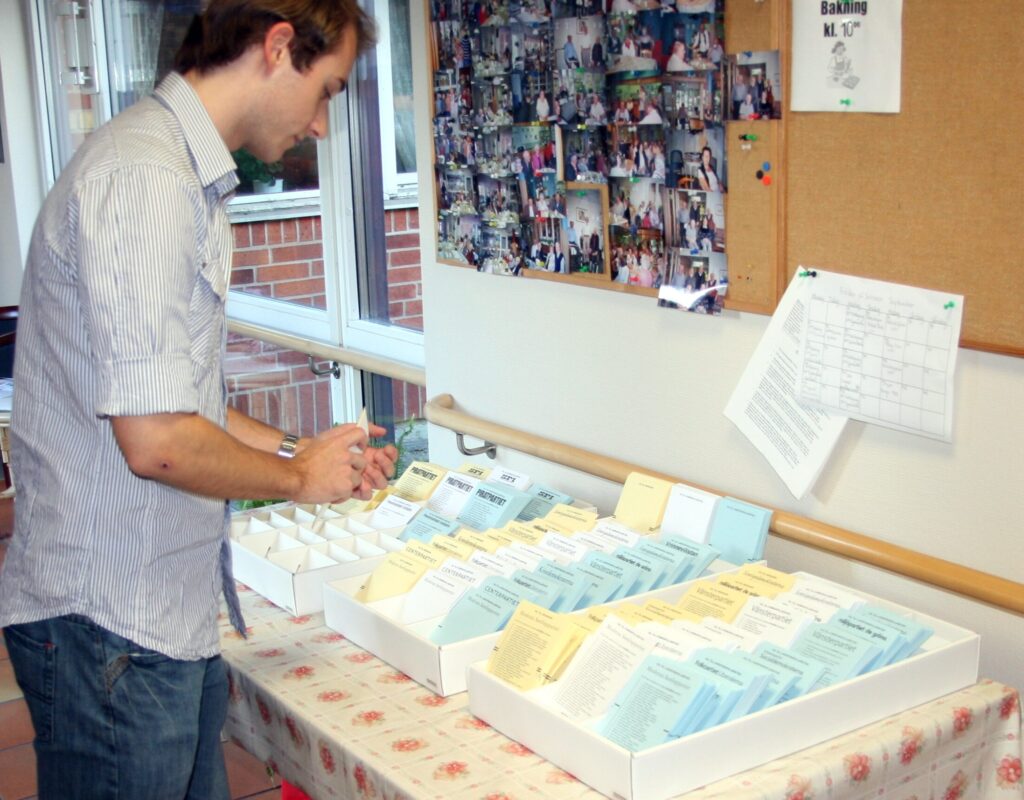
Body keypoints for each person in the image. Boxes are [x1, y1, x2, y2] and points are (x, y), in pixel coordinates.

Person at [0, 3, 398, 799]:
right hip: (111, 626)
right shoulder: (146, 180)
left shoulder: (177, 172)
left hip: (156, 620)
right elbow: (159, 441)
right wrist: (296, 479)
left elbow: (184, 403)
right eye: (326, 91)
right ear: (277, 47)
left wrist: (304, 452)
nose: (321, 124)